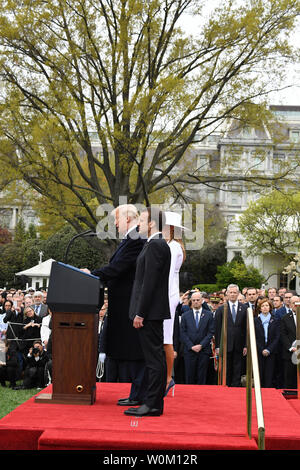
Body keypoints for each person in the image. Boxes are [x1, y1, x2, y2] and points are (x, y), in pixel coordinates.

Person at [83, 204, 146, 406]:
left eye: (116, 220)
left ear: (127, 218)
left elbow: (118, 268)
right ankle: (136, 392)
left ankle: (138, 393)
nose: (115, 224)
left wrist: (91, 274)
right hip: (122, 303)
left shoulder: (136, 239)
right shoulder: (128, 239)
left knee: (134, 350)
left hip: (128, 303)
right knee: (129, 349)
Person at [124, 207, 171, 417]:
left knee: (154, 360)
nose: (139, 224)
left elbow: (149, 283)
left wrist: (140, 313)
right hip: (150, 311)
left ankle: (152, 404)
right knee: (154, 359)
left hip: (150, 313)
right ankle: (151, 402)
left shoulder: (156, 245)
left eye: (142, 220)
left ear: (152, 223)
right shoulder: (153, 244)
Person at [162, 211, 186, 397]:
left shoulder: (173, 247)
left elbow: (168, 274)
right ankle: (166, 377)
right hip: (168, 294)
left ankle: (168, 378)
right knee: (164, 338)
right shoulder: (172, 245)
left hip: (167, 295)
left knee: (166, 339)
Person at [214, 284, 247, 387]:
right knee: (226, 368)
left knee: (238, 367)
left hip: (239, 344)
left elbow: (246, 329)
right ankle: (226, 386)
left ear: (238, 294)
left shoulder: (244, 308)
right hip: (225, 344)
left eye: (234, 293)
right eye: (230, 292)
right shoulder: (221, 309)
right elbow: (217, 329)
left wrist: (246, 345)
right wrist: (218, 346)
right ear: (227, 294)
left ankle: (236, 387)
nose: (232, 295)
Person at [180, 291, 214, 385]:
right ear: (191, 301)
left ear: (202, 300)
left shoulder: (209, 315)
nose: (195, 302)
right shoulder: (185, 315)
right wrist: (191, 346)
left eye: (198, 300)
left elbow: (211, 332)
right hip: (189, 351)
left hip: (204, 351)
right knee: (189, 376)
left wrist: (201, 345)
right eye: (193, 300)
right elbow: (182, 333)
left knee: (201, 377)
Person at [254, 298, 280, 387]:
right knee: (259, 373)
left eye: (267, 305)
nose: (265, 308)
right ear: (260, 308)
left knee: (269, 374)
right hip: (259, 351)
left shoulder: (275, 320)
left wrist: (269, 349)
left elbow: (277, 337)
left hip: (271, 352)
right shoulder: (255, 321)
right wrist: (262, 349)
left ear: (270, 307)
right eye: (263, 306)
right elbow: (254, 337)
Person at [280, 295, 299, 389]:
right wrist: (290, 348)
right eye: (293, 303)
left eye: (298, 303)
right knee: (289, 376)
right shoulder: (285, 318)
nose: (296, 305)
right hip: (290, 353)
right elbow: (283, 335)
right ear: (290, 305)